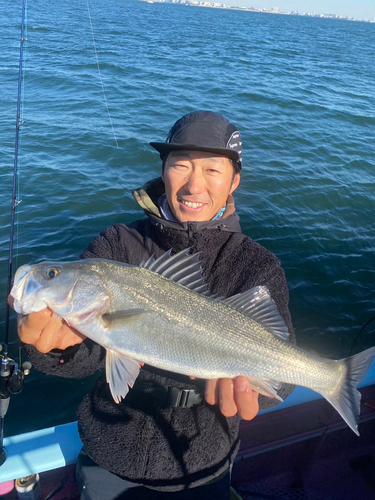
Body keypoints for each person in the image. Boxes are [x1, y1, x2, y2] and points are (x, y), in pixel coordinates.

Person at [16, 111, 295, 499]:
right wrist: (55, 349)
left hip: (202, 464)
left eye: (212, 170)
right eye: (180, 166)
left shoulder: (257, 266)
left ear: (234, 181)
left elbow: (281, 373)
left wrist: (262, 392)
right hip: (108, 455)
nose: (194, 185)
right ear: (163, 170)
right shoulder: (116, 245)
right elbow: (89, 357)